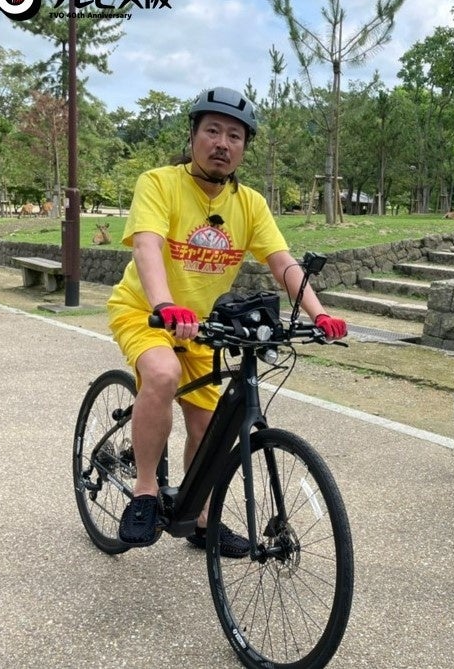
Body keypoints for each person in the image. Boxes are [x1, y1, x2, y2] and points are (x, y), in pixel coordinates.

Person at [108, 86, 348, 554]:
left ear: (244, 147)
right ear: (193, 135)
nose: (222, 143)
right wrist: (163, 304)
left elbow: (282, 262)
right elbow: (147, 245)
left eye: (234, 136)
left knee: (209, 428)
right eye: (213, 131)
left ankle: (200, 519)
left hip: (201, 326)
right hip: (145, 311)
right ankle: (144, 491)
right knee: (163, 373)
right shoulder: (159, 183)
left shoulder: (250, 203)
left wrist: (319, 314)